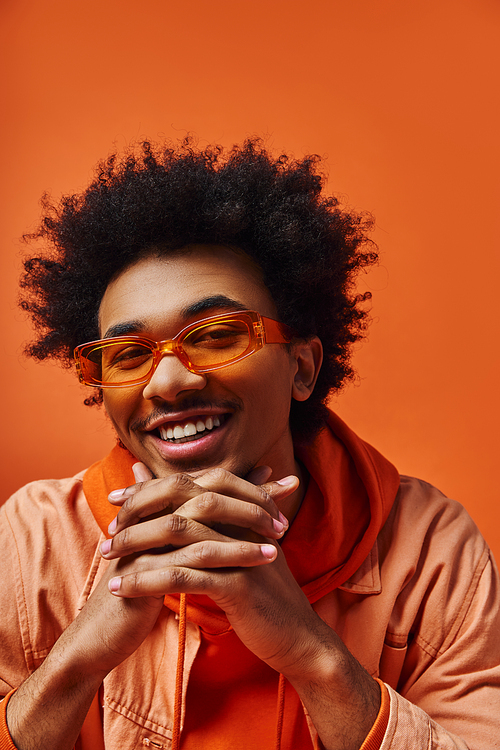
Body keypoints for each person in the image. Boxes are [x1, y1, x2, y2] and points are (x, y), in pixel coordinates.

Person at [0, 139, 498, 750]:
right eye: (128, 354)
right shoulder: (31, 541)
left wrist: (308, 651)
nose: (169, 382)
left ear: (303, 369)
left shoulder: (429, 550)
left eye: (216, 336)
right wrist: (78, 657)